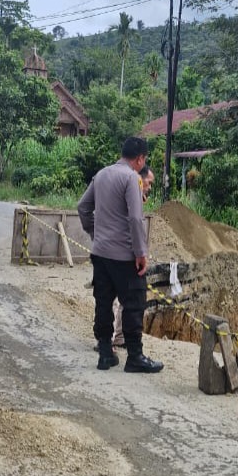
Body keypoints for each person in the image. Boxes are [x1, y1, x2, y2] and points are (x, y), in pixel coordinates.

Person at [78, 137, 163, 373]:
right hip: (124, 256)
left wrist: (95, 233)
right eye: (144, 159)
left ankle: (105, 353)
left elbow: (83, 207)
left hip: (101, 253)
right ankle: (135, 356)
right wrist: (141, 252)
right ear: (140, 159)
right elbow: (136, 218)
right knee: (134, 303)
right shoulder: (132, 178)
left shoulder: (102, 174)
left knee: (103, 302)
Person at [111, 166, 155, 348]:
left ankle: (117, 337)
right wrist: (140, 253)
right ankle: (112, 339)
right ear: (140, 178)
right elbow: (135, 222)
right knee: (123, 296)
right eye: (149, 182)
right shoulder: (130, 191)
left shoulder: (124, 190)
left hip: (112, 249)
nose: (150, 187)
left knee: (118, 296)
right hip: (121, 251)